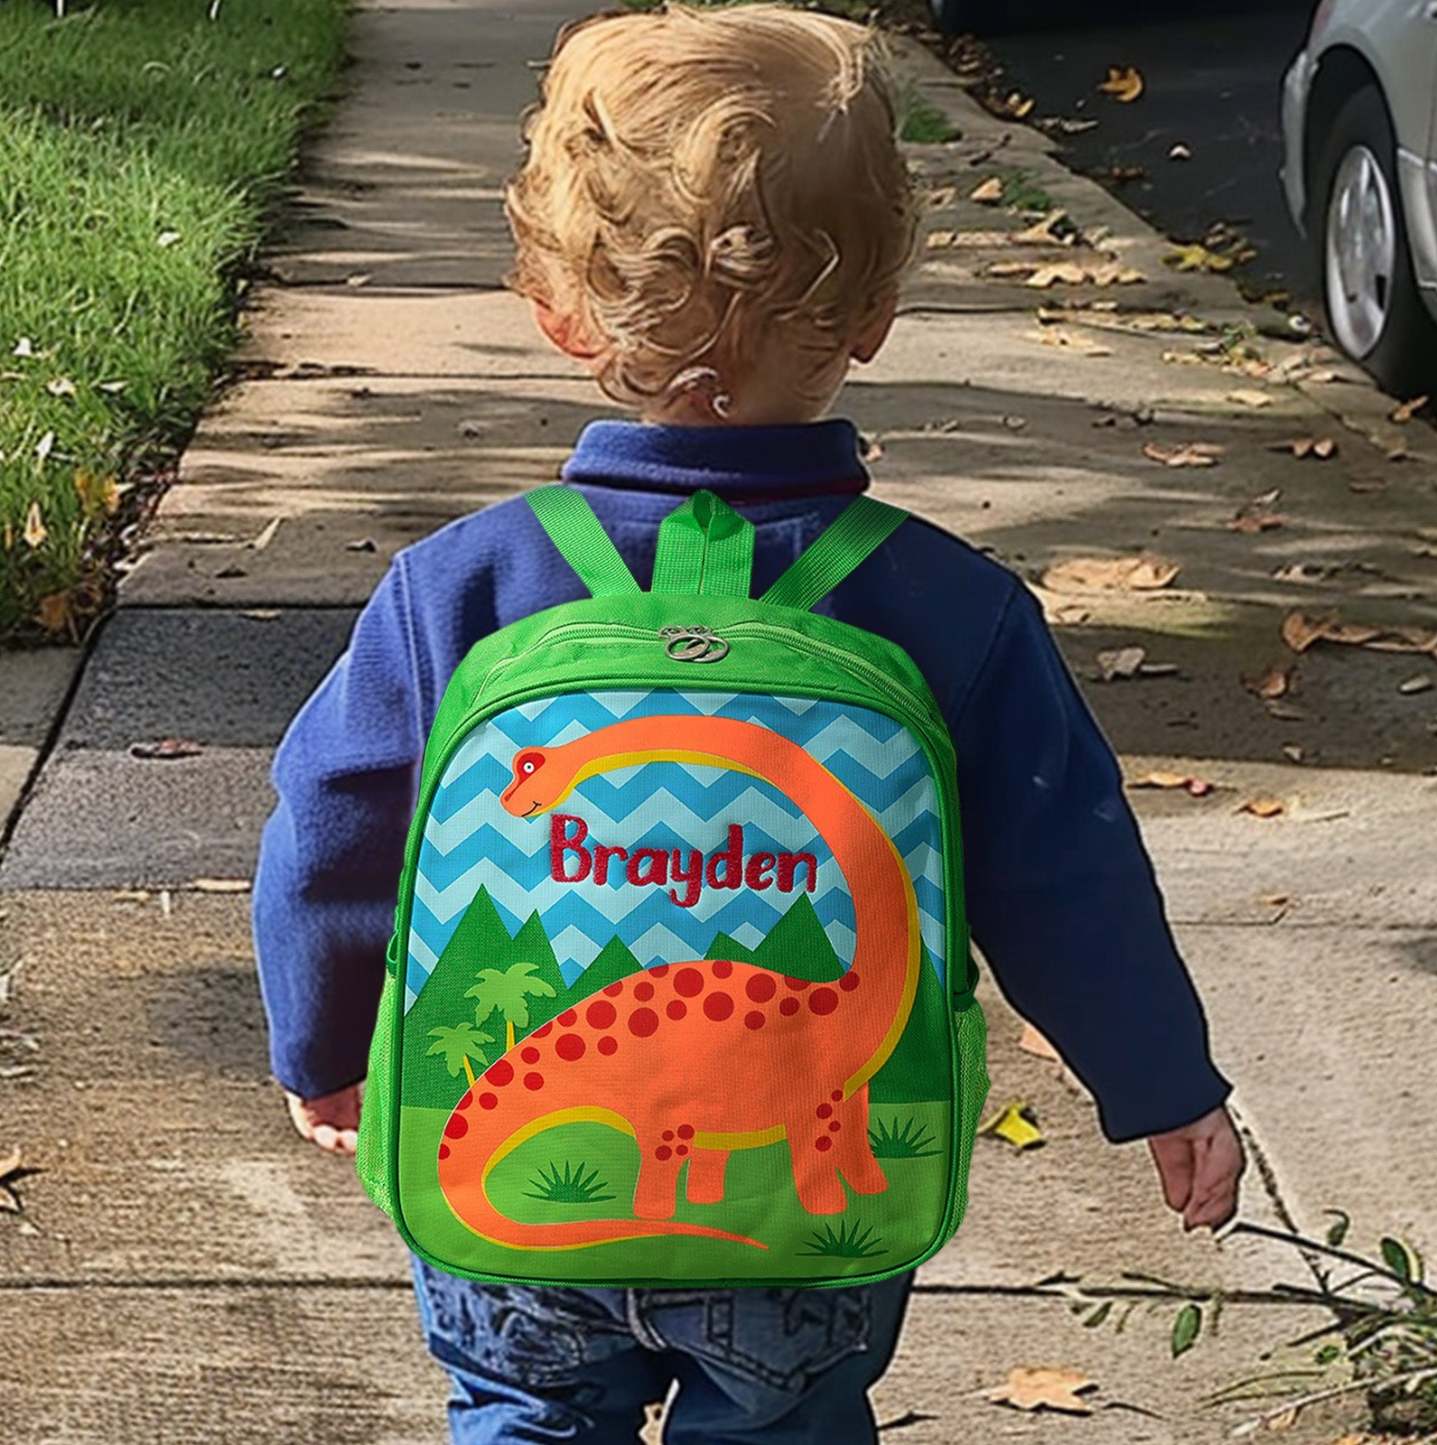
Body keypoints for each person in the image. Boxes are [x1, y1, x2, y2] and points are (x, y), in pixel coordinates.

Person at [252, 6, 1244, 1441]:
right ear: (873, 319)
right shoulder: (946, 606)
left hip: (511, 1214)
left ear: (557, 308)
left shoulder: (460, 584)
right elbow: (1066, 877)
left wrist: (324, 1038)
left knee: (520, 1414)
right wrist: (1159, 1082)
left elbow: (332, 831)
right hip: (801, 1213)